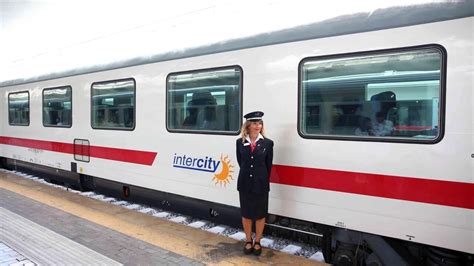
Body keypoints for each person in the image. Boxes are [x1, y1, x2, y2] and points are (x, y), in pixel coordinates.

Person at [236, 111, 274, 256]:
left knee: (259, 214)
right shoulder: (240, 142)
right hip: (245, 182)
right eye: (254, 123)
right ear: (248, 125)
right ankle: (248, 240)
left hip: (261, 183)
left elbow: (268, 165)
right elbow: (241, 162)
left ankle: (257, 241)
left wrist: (261, 178)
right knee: (246, 213)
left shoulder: (268, 143)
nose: (258, 126)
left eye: (260, 123)